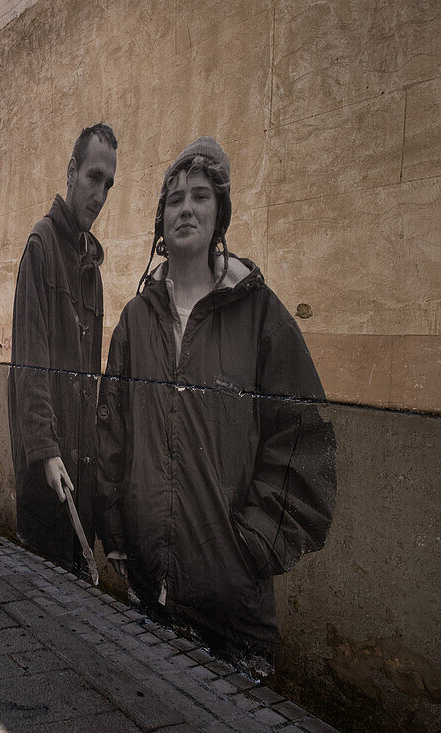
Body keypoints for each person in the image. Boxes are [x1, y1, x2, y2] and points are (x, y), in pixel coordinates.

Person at [95, 137, 336, 672]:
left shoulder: (260, 316)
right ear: (161, 220)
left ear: (219, 213)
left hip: (233, 613)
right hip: (147, 591)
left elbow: (301, 440)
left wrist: (251, 544)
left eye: (200, 196)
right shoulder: (136, 320)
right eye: (175, 198)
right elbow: (112, 432)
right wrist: (115, 532)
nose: (186, 208)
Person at [7, 123, 117, 572]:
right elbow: (30, 363)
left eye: (108, 184)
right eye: (93, 177)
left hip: (82, 472)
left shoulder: (93, 266)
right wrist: (47, 453)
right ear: (72, 172)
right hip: (48, 471)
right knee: (44, 610)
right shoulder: (41, 246)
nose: (100, 194)